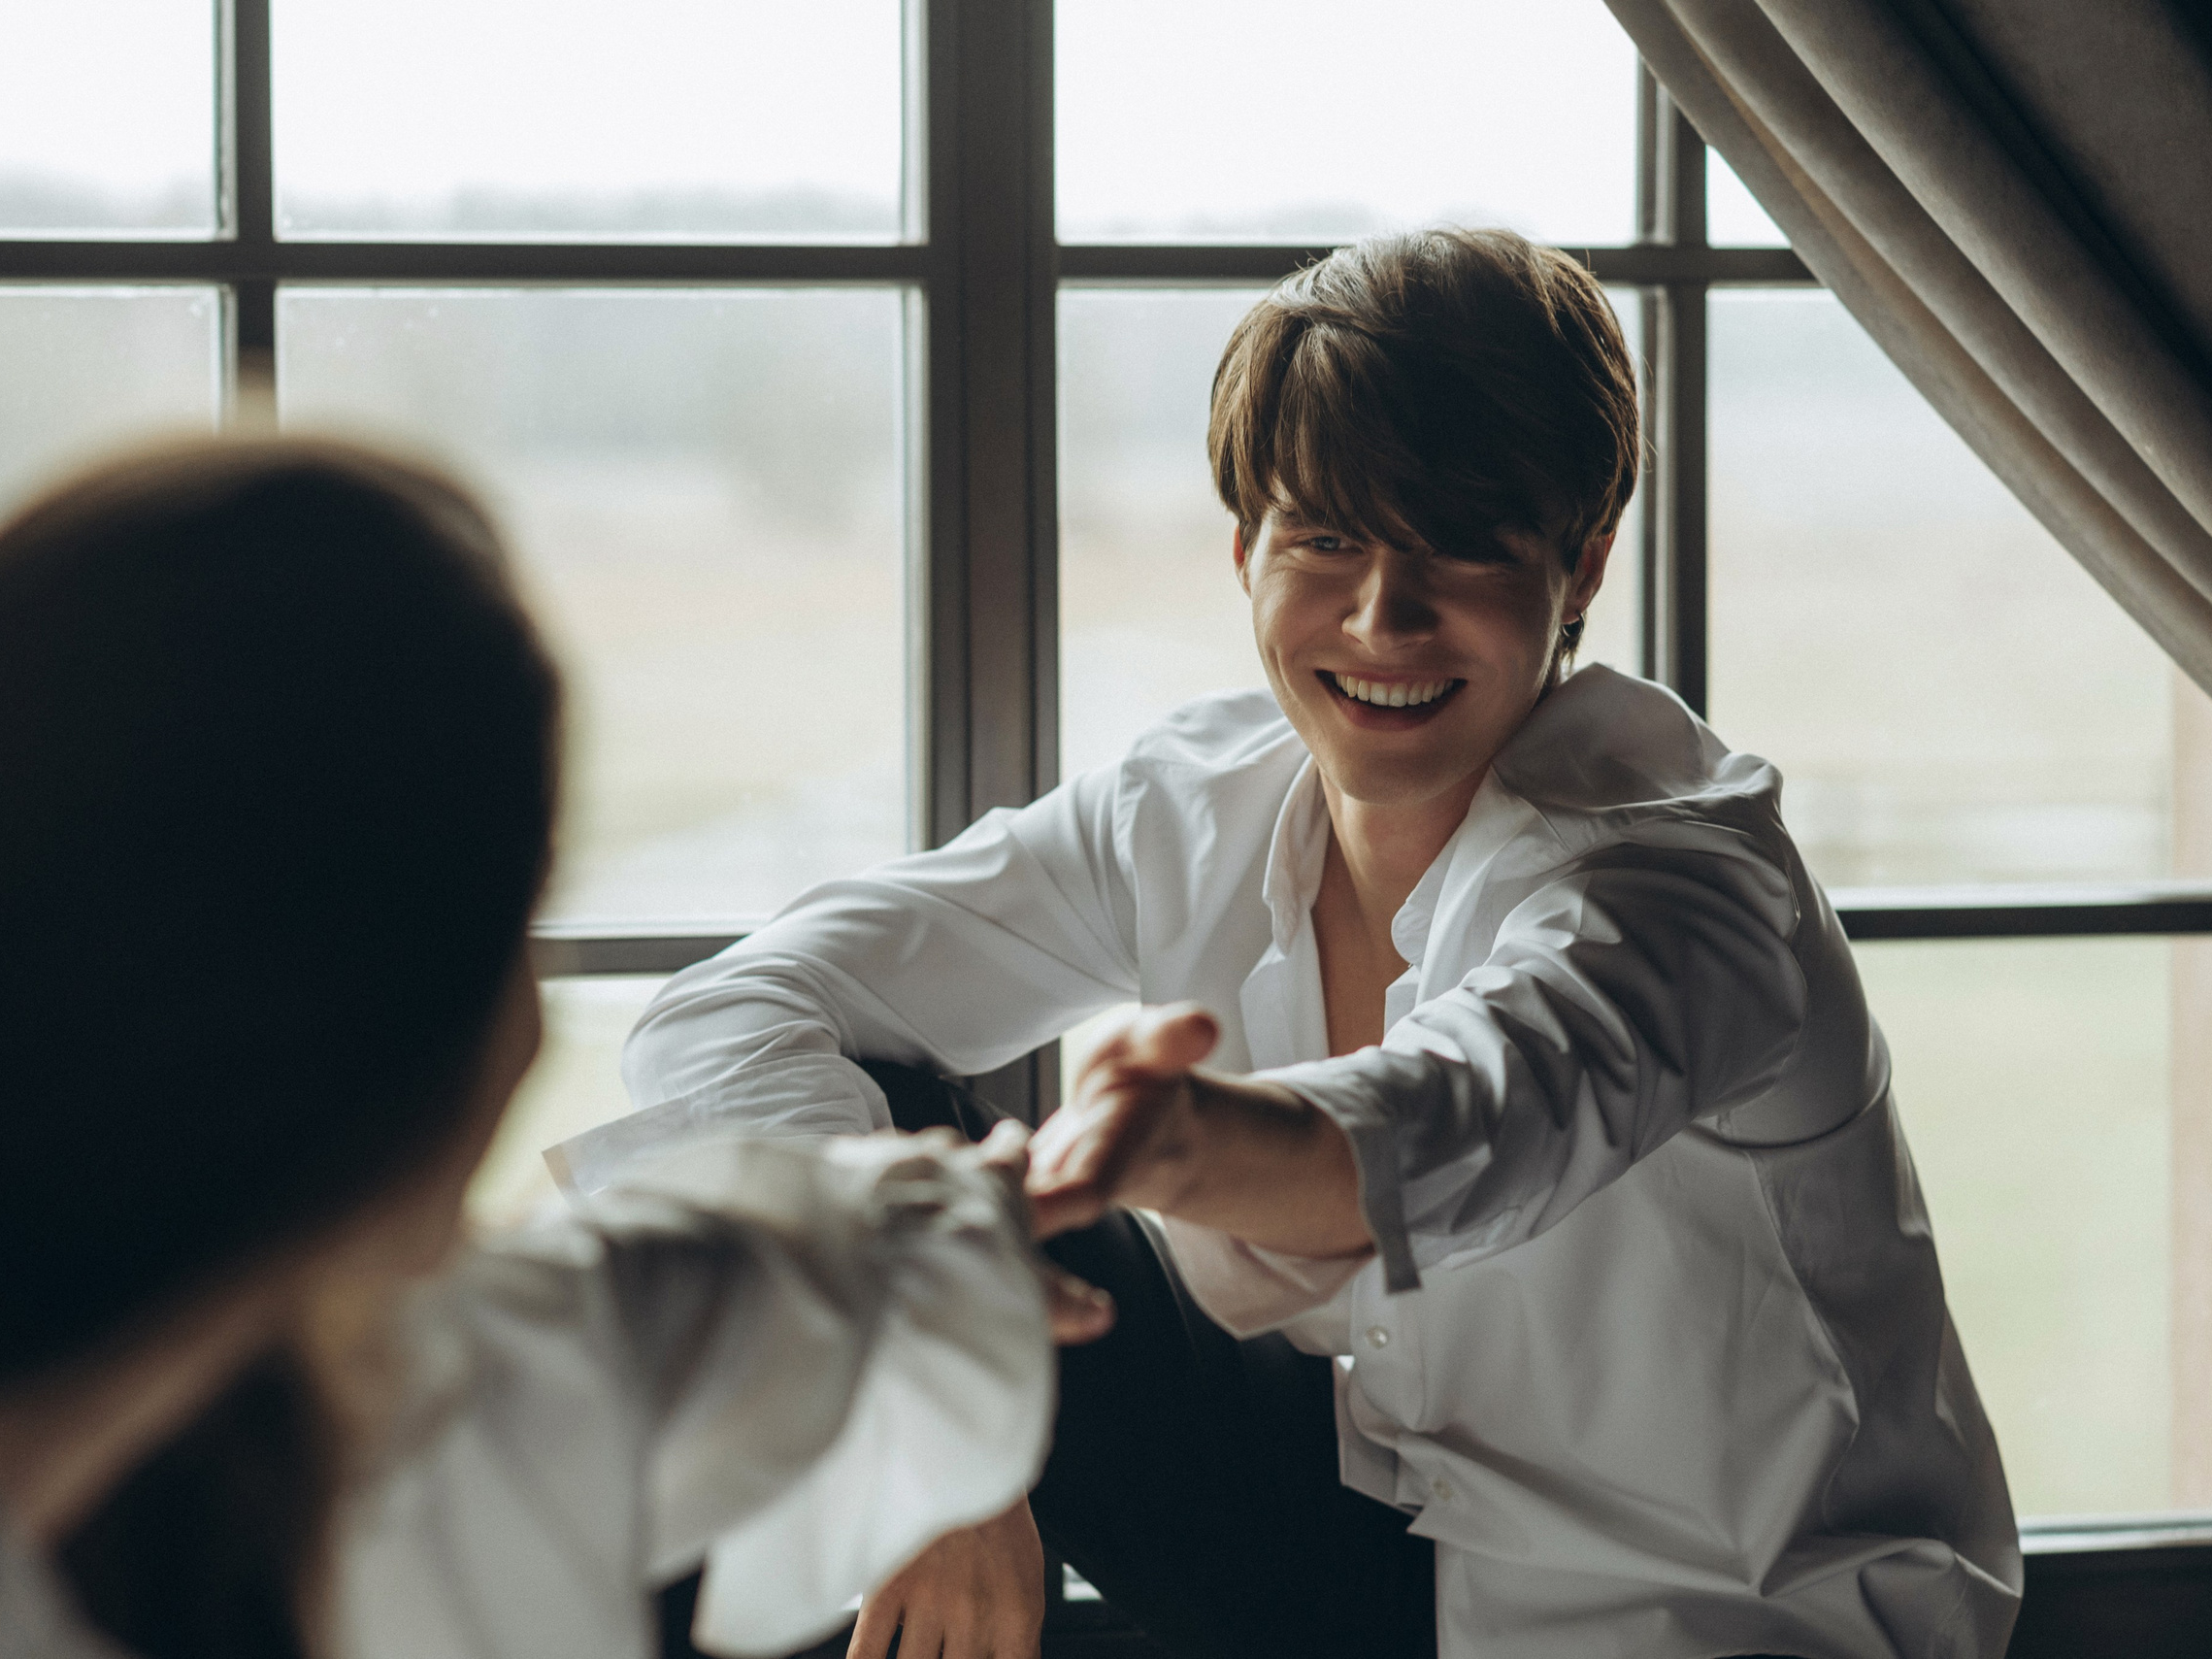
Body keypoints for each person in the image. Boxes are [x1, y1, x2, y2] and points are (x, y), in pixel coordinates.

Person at [563, 229, 2024, 1659]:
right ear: (1246, 551)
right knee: (771, 1243)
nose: (1384, 615)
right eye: (1326, 538)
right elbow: (732, 1012)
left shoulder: (1682, 879)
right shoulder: (1192, 804)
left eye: (1461, 544)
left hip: (1702, 1615)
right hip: (1372, 1541)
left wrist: (1178, 1142)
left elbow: (1468, 1119)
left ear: (1580, 567)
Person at [0, 439, 1107, 1659]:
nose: (532, 1026)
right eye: (518, 924)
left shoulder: (240, 1377)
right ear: (363, 1038)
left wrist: (944, 1229)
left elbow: (650, 1313)